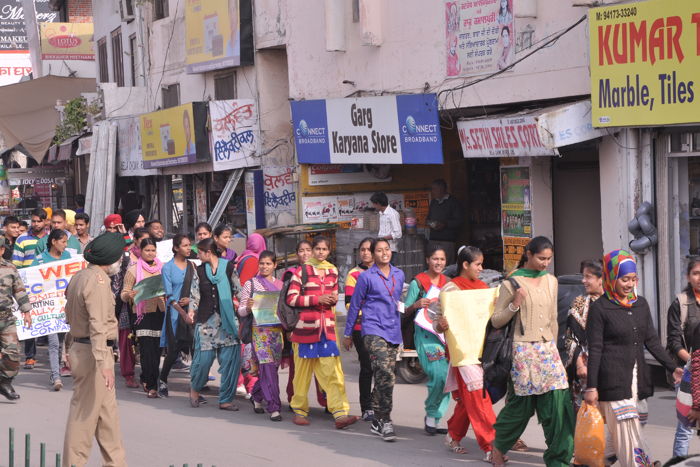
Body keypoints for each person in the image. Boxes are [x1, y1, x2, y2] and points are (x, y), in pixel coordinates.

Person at [585, 250, 683, 467]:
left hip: (637, 381)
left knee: (628, 429)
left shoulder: (640, 304)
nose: (630, 284)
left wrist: (672, 366)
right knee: (628, 429)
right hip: (612, 381)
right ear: (611, 277)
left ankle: (591, 463)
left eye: (633, 279)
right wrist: (591, 386)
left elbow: (652, 341)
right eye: (624, 279)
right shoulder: (600, 308)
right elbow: (596, 349)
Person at [490, 236, 573, 467]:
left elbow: (553, 319)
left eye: (549, 259)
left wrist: (556, 351)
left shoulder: (551, 281)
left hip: (548, 350)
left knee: (558, 405)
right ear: (528, 254)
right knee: (521, 407)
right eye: (541, 258)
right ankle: (498, 446)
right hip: (522, 350)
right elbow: (496, 320)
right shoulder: (511, 283)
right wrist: (514, 304)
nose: (545, 263)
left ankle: (559, 460)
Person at [62, 232, 127, 467]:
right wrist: (103, 363)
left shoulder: (80, 276)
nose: (121, 260)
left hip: (86, 349)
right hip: (94, 354)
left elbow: (70, 316)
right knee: (84, 418)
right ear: (111, 258)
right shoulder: (98, 281)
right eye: (120, 256)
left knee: (108, 420)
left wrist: (68, 348)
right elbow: (97, 324)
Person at [432, 246, 497, 459]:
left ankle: (453, 434)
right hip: (462, 353)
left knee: (470, 398)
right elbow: (436, 321)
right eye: (478, 264)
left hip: (482, 351)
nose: (481, 268)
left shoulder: (484, 288)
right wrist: (440, 325)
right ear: (465, 264)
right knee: (478, 397)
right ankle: (491, 447)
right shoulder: (450, 290)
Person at [286, 236, 358, 429]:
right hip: (304, 330)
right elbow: (291, 299)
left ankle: (340, 413)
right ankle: (300, 411)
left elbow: (334, 296)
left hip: (327, 330)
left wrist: (331, 299)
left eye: (324, 249)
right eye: (317, 248)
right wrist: (317, 299)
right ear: (313, 250)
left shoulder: (332, 270)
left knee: (333, 374)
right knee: (301, 375)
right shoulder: (302, 271)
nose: (320, 252)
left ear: (329, 251)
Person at [344, 238, 404, 441]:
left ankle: (377, 416)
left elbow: (397, 302)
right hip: (372, 329)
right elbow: (354, 305)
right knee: (384, 371)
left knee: (387, 376)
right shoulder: (365, 277)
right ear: (373, 253)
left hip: (392, 329)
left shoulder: (399, 274)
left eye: (387, 249)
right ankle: (385, 420)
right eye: (379, 250)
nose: (384, 253)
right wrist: (348, 333)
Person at [189, 238, 241, 411]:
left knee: (230, 362)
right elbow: (194, 293)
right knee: (203, 361)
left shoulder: (229, 267)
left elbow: (239, 290)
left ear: (208, 252)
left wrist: (248, 308)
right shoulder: (199, 270)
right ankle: (195, 390)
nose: (197, 255)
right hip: (206, 322)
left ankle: (225, 399)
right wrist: (191, 310)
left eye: (199, 252)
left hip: (227, 321)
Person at [404, 245, 450, 435]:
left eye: (442, 259)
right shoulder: (418, 282)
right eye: (435, 259)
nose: (438, 263)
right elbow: (404, 309)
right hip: (425, 336)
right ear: (427, 260)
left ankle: (435, 418)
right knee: (439, 375)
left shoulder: (449, 283)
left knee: (448, 379)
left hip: (446, 336)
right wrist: (415, 304)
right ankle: (432, 414)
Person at [238, 250, 285, 422]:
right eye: (262, 263)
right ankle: (274, 407)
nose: (264, 266)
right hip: (259, 332)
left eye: (268, 263)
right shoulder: (251, 284)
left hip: (276, 333)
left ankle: (257, 396)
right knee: (267, 368)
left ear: (275, 265)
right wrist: (248, 307)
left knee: (270, 369)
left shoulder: (280, 285)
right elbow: (241, 311)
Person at [283, 240, 328, 410]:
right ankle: (294, 400)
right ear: (297, 254)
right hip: (298, 326)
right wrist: (289, 328)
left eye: (309, 250)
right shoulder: (291, 274)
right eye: (301, 251)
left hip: (320, 325)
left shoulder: (323, 271)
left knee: (324, 366)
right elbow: (286, 305)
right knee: (298, 368)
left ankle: (328, 401)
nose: (306, 254)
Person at [120, 238, 165, 398]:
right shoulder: (133, 270)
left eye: (153, 250)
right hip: (141, 314)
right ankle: (151, 385)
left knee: (157, 351)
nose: (150, 253)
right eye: (147, 250)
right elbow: (124, 293)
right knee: (146, 350)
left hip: (160, 313)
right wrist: (129, 295)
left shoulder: (163, 268)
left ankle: (147, 377)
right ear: (140, 251)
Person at [32, 230, 75, 390]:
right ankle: (56, 376)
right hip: (48, 308)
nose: (65, 245)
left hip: (64, 308)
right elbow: (31, 281)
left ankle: (55, 372)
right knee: (53, 342)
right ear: (53, 242)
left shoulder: (68, 258)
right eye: (63, 241)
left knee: (61, 342)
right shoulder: (40, 260)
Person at [158, 234, 198, 398]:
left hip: (191, 312)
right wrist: (182, 313)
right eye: (185, 245)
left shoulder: (192, 266)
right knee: (173, 350)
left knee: (195, 349)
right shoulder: (167, 268)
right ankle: (162, 380)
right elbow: (169, 296)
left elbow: (196, 290)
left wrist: (190, 300)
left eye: (190, 245)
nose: (189, 248)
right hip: (175, 314)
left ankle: (195, 387)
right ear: (176, 248)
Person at [563, 259, 604, 414]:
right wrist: (580, 364)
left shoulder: (614, 303)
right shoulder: (579, 303)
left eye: (588, 277)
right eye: (583, 276)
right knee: (586, 418)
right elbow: (570, 338)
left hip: (611, 368)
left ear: (601, 279)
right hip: (585, 370)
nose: (583, 281)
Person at [669, 257, 700, 457]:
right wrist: (693, 362)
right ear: (688, 277)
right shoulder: (681, 303)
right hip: (688, 373)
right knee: (686, 428)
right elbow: (673, 342)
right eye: (696, 273)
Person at [343, 237, 375, 422]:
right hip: (360, 327)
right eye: (362, 249)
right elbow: (349, 303)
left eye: (369, 249)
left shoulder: (384, 272)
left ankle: (378, 402)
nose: (365, 253)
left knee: (383, 369)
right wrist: (371, 313)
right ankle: (367, 407)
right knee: (367, 366)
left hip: (381, 327)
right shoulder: (353, 274)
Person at [113, 227, 149, 389]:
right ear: (135, 241)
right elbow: (117, 282)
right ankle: (128, 374)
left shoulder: (153, 260)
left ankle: (148, 375)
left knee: (147, 341)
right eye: (143, 241)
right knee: (127, 341)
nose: (147, 245)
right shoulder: (126, 258)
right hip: (126, 306)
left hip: (147, 305)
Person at [13, 207, 48, 370]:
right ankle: (30, 356)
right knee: (30, 319)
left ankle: (55, 357)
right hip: (28, 286)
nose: (35, 224)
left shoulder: (51, 238)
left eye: (38, 221)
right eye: (33, 221)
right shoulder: (22, 239)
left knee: (49, 318)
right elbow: (16, 264)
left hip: (48, 285)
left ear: (45, 221)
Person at [0, 237, 32, 401]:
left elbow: (19, 290)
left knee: (13, 353)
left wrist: (26, 311)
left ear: (2, 250)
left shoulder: (10, 268)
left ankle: (5, 382)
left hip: (6, 319)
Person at [426, 179, 463, 264]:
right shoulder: (433, 202)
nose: (432, 191)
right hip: (433, 240)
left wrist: (445, 224)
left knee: (447, 266)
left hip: (447, 241)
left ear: (442, 189)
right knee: (434, 264)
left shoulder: (453, 202)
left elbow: (459, 221)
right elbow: (428, 218)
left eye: (434, 189)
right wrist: (429, 223)